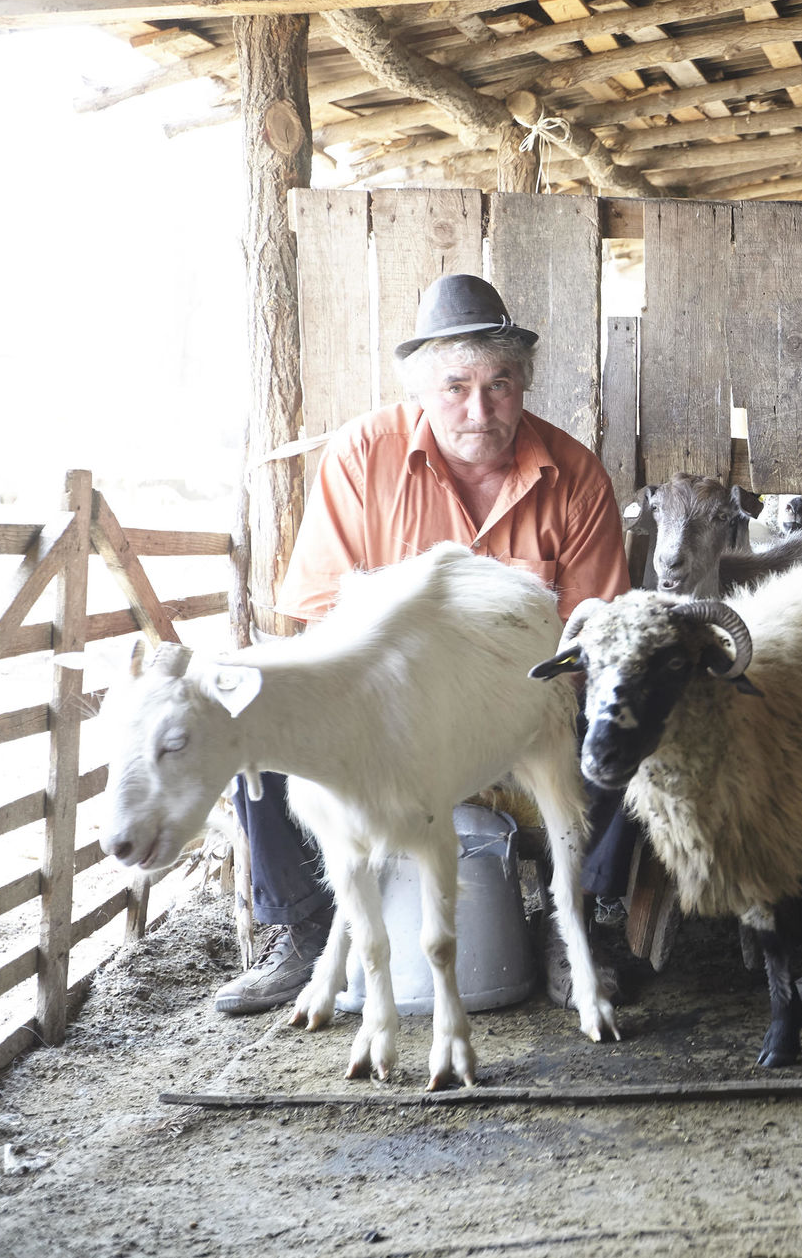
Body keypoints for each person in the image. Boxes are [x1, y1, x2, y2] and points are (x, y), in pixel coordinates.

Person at [216, 273, 633, 1016]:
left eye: (500, 384)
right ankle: (310, 934)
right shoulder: (359, 457)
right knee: (253, 724)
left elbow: (595, 640)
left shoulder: (575, 477)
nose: (480, 409)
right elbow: (319, 629)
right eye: (455, 387)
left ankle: (579, 931)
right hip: (386, 724)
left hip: (521, 714)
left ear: (523, 384)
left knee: (630, 724)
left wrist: (522, 715)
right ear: (419, 389)